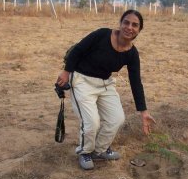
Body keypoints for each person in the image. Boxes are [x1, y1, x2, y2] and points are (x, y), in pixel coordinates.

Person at [57, 9, 156, 170]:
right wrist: (66, 72)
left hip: (105, 84)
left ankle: (100, 150)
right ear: (120, 23)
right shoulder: (102, 34)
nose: (129, 27)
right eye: (126, 22)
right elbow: (78, 50)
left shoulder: (131, 53)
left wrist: (143, 112)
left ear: (139, 30)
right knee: (92, 123)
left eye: (135, 25)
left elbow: (135, 82)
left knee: (116, 119)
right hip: (82, 80)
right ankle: (85, 152)